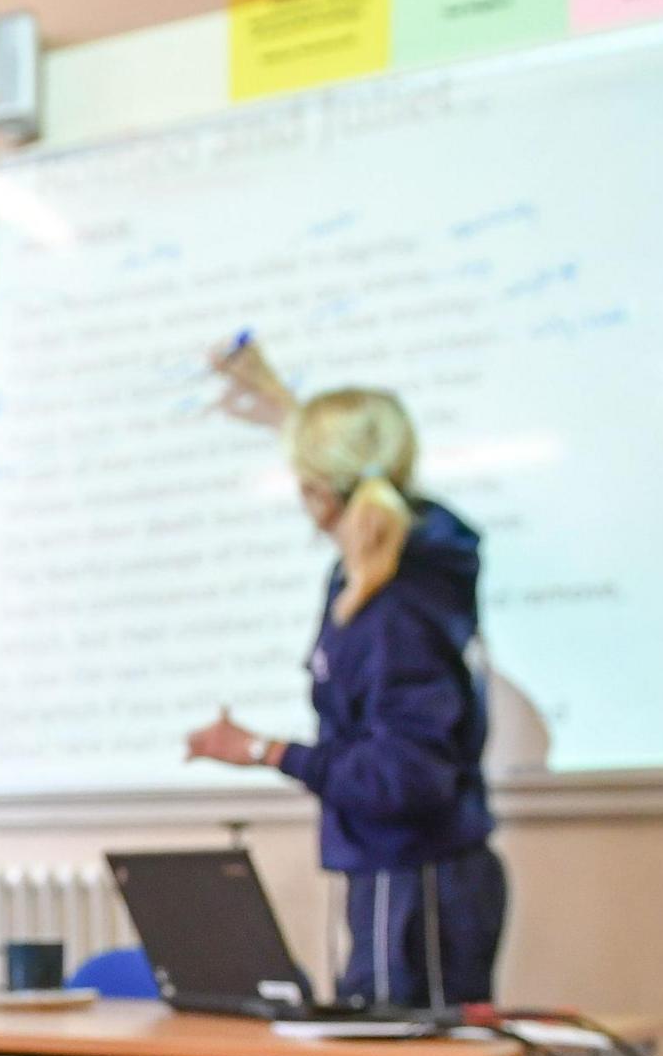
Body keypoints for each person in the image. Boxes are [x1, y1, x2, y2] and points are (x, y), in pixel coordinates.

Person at [187, 364, 507, 1007]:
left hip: (416, 883)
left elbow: (406, 777)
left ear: (316, 491)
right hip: (405, 875)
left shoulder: (394, 606)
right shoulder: (404, 568)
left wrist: (265, 751)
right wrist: (283, 407)